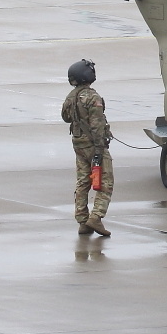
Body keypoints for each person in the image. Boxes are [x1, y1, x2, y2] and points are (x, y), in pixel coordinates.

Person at [61, 59, 113, 236]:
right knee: (106, 182)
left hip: (78, 144)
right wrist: (100, 148)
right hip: (93, 145)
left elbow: (66, 117)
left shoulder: (71, 96)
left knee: (83, 181)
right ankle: (96, 217)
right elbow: (97, 124)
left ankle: (82, 220)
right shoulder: (92, 97)